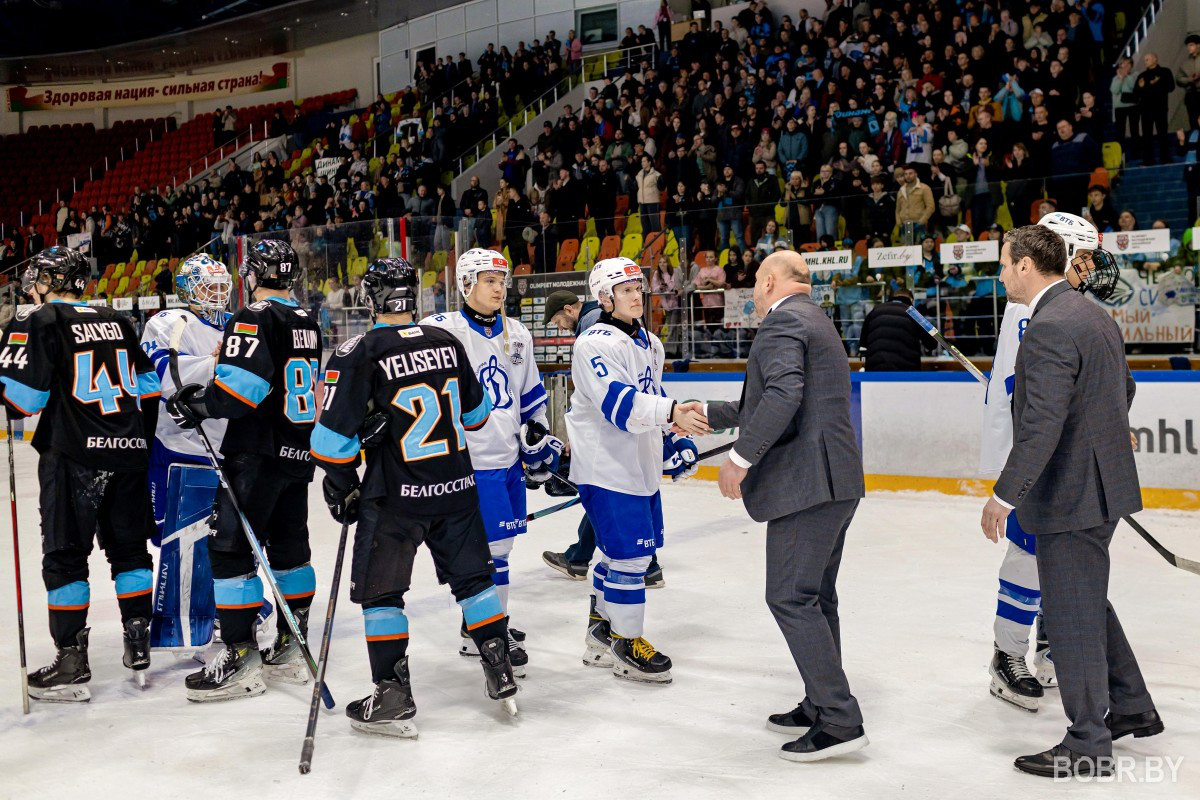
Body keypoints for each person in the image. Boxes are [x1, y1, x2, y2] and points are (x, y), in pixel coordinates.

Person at [980, 225, 1161, 778]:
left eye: (1007, 264)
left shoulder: (1048, 327)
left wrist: (1003, 496)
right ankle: (1130, 707)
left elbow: (1041, 425)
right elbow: (1121, 391)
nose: (1003, 274)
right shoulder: (1090, 315)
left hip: (1072, 494)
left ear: (1030, 265)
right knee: (1089, 603)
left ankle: (1087, 742)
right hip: (1102, 486)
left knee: (1071, 613)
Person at [311, 258, 517, 736]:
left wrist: (341, 485)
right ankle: (500, 669)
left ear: (372, 298)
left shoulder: (357, 352)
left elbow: (328, 444)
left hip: (395, 497)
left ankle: (393, 694)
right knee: (475, 583)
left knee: (382, 595)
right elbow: (478, 417)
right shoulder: (446, 341)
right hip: (457, 490)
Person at [706, 250, 868, 762]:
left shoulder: (782, 323)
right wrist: (704, 415)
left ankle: (840, 720)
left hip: (808, 485)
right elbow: (769, 400)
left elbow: (783, 395)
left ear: (771, 280)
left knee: (790, 597)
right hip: (835, 480)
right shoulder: (814, 319)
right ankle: (821, 702)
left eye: (756, 281)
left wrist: (739, 458)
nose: (754, 291)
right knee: (817, 597)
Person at [0, 247, 161, 701]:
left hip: (73, 456)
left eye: (37, 279)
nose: (32, 287)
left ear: (52, 281)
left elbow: (22, 402)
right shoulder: (118, 319)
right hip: (128, 452)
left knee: (66, 557)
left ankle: (71, 660)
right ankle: (137, 641)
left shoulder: (42, 319)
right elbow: (148, 388)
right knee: (129, 551)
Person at [166, 239, 323, 702]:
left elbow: (242, 390)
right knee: (290, 548)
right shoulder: (307, 321)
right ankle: (293, 647)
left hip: (256, 453)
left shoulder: (253, 316)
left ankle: (240, 657)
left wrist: (197, 402)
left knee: (231, 550)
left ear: (253, 275)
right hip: (298, 450)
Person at [980, 212, 1120, 713]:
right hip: (1034, 459)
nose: (1089, 268)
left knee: (1056, 559)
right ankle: (1008, 653)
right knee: (1029, 552)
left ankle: (1050, 641)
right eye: (1082, 257)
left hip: (1058, 459)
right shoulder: (1028, 312)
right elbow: (1038, 403)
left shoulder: (1063, 305)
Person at [567, 256, 706, 684]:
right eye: (625, 290)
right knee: (633, 558)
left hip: (637, 466)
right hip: (606, 466)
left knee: (616, 555)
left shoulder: (649, 342)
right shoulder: (594, 343)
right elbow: (619, 404)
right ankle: (628, 644)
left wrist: (673, 440)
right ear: (605, 297)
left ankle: (600, 631)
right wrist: (674, 413)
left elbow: (652, 395)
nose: (635, 296)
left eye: (637, 289)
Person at [421, 249, 559, 676]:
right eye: (489, 281)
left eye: (503, 281)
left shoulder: (517, 333)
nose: (500, 288)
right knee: (490, 553)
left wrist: (538, 438)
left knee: (502, 549)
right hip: (467, 460)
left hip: (506, 459)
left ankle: (478, 626)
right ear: (466, 284)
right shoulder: (441, 330)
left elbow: (531, 398)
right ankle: (490, 631)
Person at [539, 289, 670, 584]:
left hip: (614, 435)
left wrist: (580, 434)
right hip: (631, 433)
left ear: (570, 310)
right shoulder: (607, 323)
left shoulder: (592, 327)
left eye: (558, 319)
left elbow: (602, 393)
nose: (559, 326)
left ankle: (587, 559)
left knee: (605, 495)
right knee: (613, 498)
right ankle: (637, 562)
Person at [139, 254, 235, 651]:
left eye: (220, 286)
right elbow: (163, 375)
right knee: (168, 535)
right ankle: (192, 613)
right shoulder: (168, 322)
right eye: (207, 287)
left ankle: (214, 613)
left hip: (224, 449)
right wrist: (216, 365)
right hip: (176, 447)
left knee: (217, 538)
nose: (216, 294)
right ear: (187, 290)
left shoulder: (237, 326)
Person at [857, 289, 928, 370]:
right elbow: (933, 341)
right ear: (911, 300)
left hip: (876, 368)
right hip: (906, 370)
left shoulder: (875, 310)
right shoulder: (914, 312)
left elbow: (863, 341)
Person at [1136, 52, 1176, 165]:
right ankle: (1147, 160)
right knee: (1146, 135)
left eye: (1147, 59)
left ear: (1155, 59)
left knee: (1162, 133)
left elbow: (1171, 87)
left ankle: (1165, 158)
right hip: (1145, 110)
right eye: (1144, 60)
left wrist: (1154, 84)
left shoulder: (1165, 72)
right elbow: (1136, 93)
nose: (1145, 61)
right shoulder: (1142, 75)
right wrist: (1141, 87)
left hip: (1160, 108)